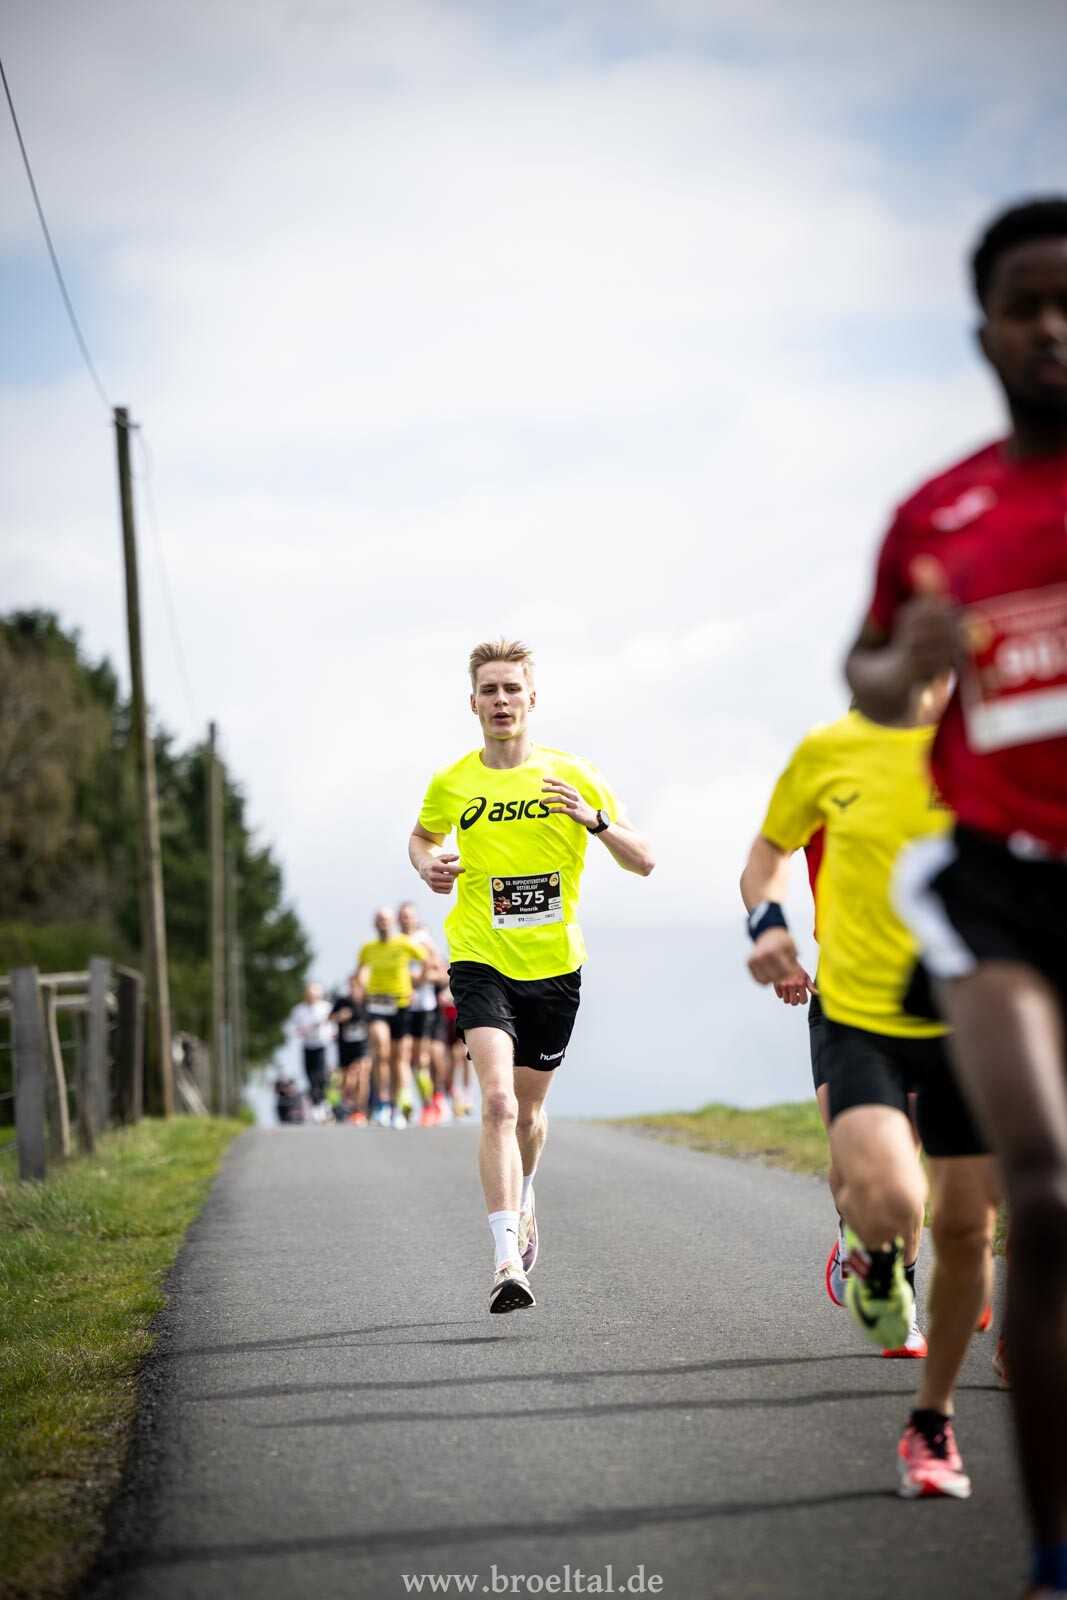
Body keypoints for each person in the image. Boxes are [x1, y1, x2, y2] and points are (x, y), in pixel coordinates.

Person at [845, 199, 1067, 1589]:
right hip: (998, 892)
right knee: (1037, 1191)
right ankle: (1050, 1556)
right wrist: (906, 658)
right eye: (1023, 304)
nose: (1051, 327)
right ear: (981, 332)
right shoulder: (936, 514)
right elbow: (865, 674)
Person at [744, 680, 1000, 1497]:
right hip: (855, 1008)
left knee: (967, 1227)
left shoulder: (988, 745)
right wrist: (769, 927)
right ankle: (878, 1258)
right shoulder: (830, 752)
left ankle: (931, 1421)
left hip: (965, 1009)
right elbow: (765, 859)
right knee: (889, 1190)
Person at [409, 637, 654, 1313]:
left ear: (531, 699)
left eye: (511, 688)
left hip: (554, 968)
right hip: (479, 957)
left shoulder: (572, 774)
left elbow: (644, 859)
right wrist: (426, 865)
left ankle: (525, 1196)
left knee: (530, 1113)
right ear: (472, 703)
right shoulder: (453, 780)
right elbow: (423, 836)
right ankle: (505, 1260)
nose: (500, 700)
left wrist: (594, 821)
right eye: (488, 690)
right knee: (497, 1102)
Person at [354, 908, 428, 1129]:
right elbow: (360, 970)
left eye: (386, 920)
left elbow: (428, 961)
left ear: (392, 922)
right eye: (379, 920)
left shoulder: (404, 943)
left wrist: (418, 983)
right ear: (374, 923)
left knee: (398, 1058)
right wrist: (362, 987)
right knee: (380, 1049)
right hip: (376, 1003)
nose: (383, 923)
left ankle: (396, 1104)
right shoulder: (368, 948)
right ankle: (381, 1102)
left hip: (400, 1003)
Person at [397, 900, 449, 1124]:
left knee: (422, 1058)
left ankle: (432, 1100)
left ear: (415, 918)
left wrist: (421, 979)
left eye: (409, 915)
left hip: (425, 1007)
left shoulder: (423, 939)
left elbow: (441, 970)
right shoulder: (395, 942)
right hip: (402, 1006)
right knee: (403, 1055)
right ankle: (406, 1099)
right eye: (403, 915)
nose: (406, 919)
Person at [329, 975, 370, 1124]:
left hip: (363, 1046)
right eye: (351, 986)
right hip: (345, 1046)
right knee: (348, 1080)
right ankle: (349, 1104)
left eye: (356, 986)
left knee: (362, 1074)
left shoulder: (367, 1002)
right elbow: (330, 1018)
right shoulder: (342, 1002)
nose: (354, 990)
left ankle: (360, 1109)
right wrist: (340, 1016)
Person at [290, 981, 335, 1113]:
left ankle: (322, 1101)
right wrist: (301, 1030)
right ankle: (316, 1104)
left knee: (320, 1075)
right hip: (308, 1045)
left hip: (323, 1045)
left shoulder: (326, 1008)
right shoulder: (299, 1010)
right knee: (310, 1075)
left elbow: (333, 1027)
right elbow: (292, 1027)